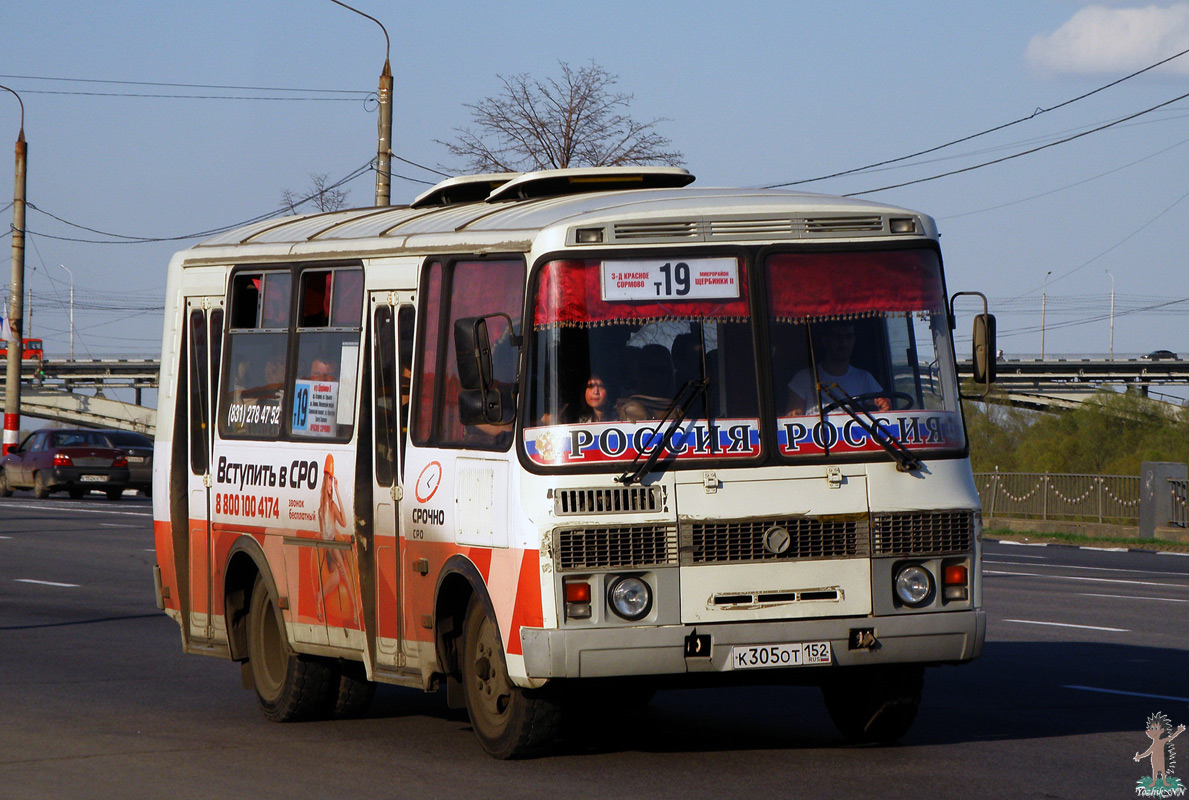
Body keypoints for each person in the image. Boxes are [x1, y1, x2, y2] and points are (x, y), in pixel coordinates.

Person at [787, 321, 890, 415]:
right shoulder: (803, 379)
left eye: (848, 337)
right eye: (837, 337)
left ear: (854, 341)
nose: (844, 343)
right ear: (825, 341)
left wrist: (884, 404)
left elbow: (880, 409)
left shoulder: (865, 378)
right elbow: (793, 422)